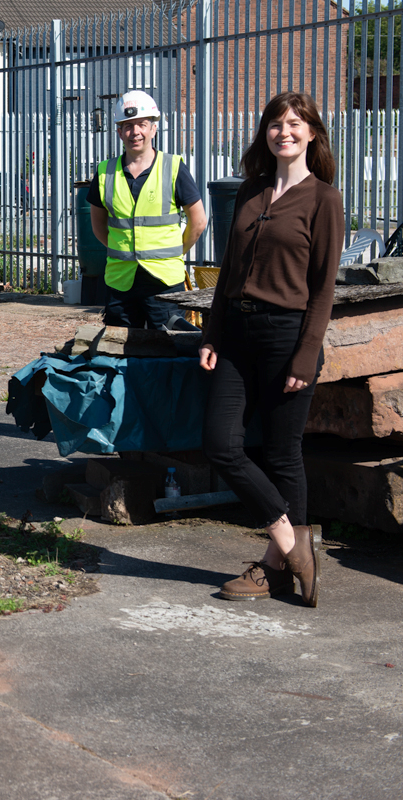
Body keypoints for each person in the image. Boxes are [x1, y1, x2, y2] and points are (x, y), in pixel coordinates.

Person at [199, 91, 344, 607]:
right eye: (276, 124)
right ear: (265, 133)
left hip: (287, 336)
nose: (285, 131)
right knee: (221, 442)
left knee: (283, 454)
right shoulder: (249, 193)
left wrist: (307, 354)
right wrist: (212, 333)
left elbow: (324, 288)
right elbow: (228, 273)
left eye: (295, 123)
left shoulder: (324, 199)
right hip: (236, 334)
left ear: (311, 134)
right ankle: (292, 541)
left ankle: (274, 570)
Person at [89, 90, 209, 329]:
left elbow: (198, 223)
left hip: (163, 281)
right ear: (119, 131)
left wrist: (173, 251)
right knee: (118, 351)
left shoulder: (174, 167)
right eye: (128, 126)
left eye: (142, 124)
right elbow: (98, 227)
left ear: (153, 128)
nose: (135, 132)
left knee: (169, 350)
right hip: (121, 281)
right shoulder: (104, 172)